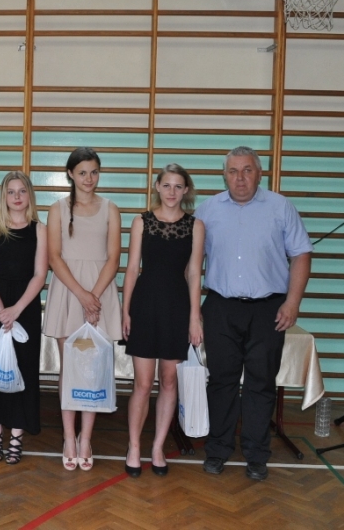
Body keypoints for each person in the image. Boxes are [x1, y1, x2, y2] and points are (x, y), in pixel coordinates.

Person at [196, 146, 312, 481]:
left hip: (268, 309)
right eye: (233, 171)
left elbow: (301, 254)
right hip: (220, 307)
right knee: (221, 381)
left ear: (259, 174)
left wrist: (293, 302)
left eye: (247, 170)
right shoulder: (208, 210)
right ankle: (217, 449)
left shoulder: (280, 207)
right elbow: (191, 263)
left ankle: (257, 455)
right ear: (224, 175)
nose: (240, 178)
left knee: (261, 383)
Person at [121, 164, 205, 478]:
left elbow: (194, 273)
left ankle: (157, 447)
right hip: (144, 305)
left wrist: (195, 317)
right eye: (166, 185)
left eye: (178, 186)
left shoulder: (196, 226)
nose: (172, 191)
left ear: (186, 190)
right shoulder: (141, 222)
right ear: (157, 186)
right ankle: (134, 447)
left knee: (169, 381)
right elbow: (132, 269)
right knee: (143, 384)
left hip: (177, 308)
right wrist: (125, 310)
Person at [43, 147, 122, 472]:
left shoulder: (111, 208)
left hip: (100, 293)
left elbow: (114, 258)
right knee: (70, 369)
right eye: (83, 172)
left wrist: (95, 297)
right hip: (69, 292)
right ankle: (69, 438)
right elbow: (54, 257)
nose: (89, 178)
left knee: (92, 369)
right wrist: (82, 295)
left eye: (94, 172)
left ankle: (86, 438)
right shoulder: (57, 209)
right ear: (70, 175)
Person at [0, 172, 48, 465]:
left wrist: (16, 309)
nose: (17, 197)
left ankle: (16, 435)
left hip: (25, 306)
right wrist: (0, 309)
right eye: (11, 192)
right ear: (3, 197)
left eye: (22, 191)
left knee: (23, 369)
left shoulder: (40, 229)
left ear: (30, 195)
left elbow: (40, 274)